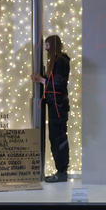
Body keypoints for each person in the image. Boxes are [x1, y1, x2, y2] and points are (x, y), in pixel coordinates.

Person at [31, 35, 71, 182]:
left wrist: (41, 79)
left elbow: (57, 83)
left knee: (58, 138)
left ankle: (61, 172)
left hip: (58, 107)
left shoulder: (61, 60)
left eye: (47, 45)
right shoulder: (58, 61)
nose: (46, 49)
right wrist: (42, 78)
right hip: (56, 106)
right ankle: (60, 171)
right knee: (55, 138)